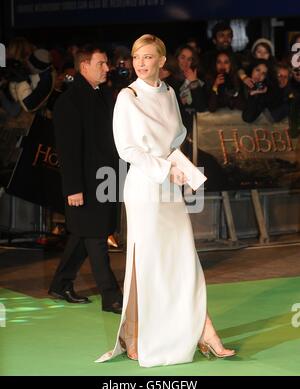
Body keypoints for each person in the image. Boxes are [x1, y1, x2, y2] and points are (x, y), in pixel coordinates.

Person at [96, 34, 235, 367]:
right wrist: (164, 169)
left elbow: (174, 139)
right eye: (136, 58)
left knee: (184, 258)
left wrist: (181, 169)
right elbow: (127, 149)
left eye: (148, 57)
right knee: (148, 264)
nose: (141, 64)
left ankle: (201, 330)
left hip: (170, 186)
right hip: (144, 186)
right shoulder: (127, 97)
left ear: (161, 60)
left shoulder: (170, 93)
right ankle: (143, 334)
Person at [48, 44, 123, 314]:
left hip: (106, 179)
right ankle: (111, 296)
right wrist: (73, 188)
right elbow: (67, 151)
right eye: (101, 63)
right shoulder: (69, 102)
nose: (107, 68)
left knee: (84, 234)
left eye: (106, 63)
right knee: (97, 236)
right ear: (84, 67)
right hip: (85, 183)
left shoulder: (103, 94)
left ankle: (60, 284)